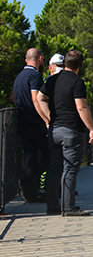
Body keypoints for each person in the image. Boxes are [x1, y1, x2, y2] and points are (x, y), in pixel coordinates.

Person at [36, 50, 93, 217]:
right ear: (81, 65)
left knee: (54, 169)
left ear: (65, 64)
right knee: (70, 169)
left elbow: (39, 98)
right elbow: (81, 107)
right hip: (72, 131)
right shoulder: (77, 83)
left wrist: (48, 118)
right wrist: (92, 129)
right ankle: (68, 207)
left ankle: (52, 206)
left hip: (55, 130)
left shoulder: (52, 80)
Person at [12, 48, 49, 204]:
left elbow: (13, 97)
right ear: (40, 58)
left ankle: (31, 192)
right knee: (49, 153)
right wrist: (46, 120)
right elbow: (36, 99)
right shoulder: (35, 76)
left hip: (22, 121)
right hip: (34, 122)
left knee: (29, 157)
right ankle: (30, 184)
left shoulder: (19, 77)